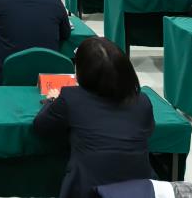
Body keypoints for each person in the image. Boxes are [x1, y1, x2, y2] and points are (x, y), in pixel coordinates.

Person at [33, 37, 155, 198]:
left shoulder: (71, 98)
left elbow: (41, 126)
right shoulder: (142, 101)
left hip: (89, 191)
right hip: (139, 190)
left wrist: (52, 101)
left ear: (83, 73)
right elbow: (148, 130)